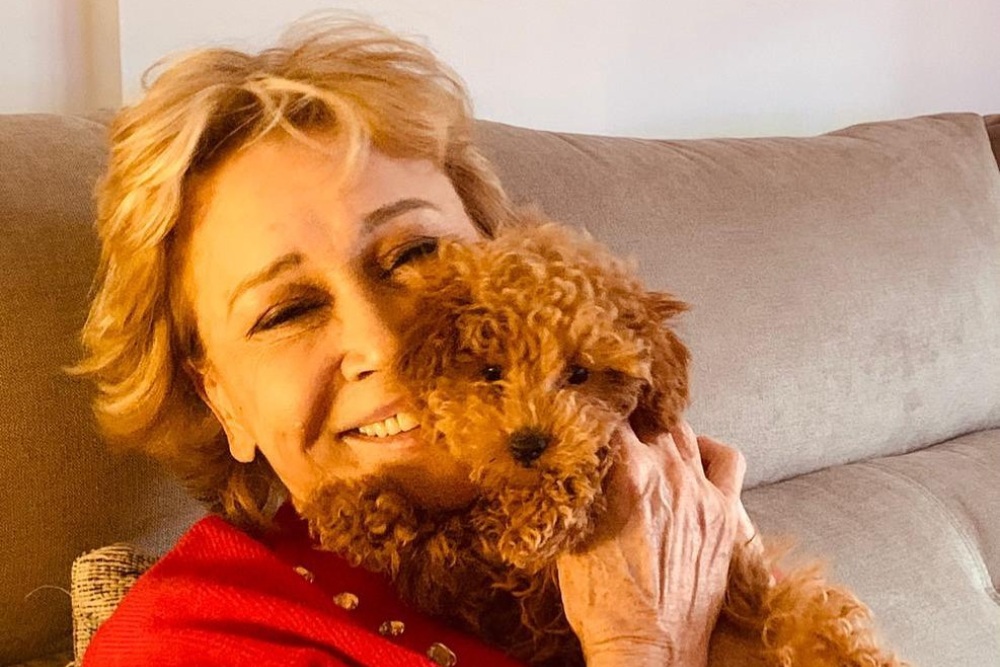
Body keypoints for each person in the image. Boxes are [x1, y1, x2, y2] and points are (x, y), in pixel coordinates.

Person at [77, 17, 755, 667]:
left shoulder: (672, 515)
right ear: (220, 399)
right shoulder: (183, 639)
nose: (386, 345)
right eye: (287, 311)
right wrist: (645, 643)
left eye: (416, 254)